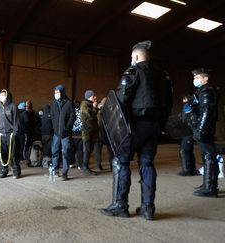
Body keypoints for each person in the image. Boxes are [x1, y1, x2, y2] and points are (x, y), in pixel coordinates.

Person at [101, 40, 172, 220]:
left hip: (135, 126)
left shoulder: (132, 72)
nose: (131, 59)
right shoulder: (163, 76)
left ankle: (120, 205)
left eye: (132, 57)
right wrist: (160, 126)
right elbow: (169, 104)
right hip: (154, 126)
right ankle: (148, 208)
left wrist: (121, 130)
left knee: (121, 162)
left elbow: (120, 102)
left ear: (137, 56)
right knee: (147, 163)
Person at [185, 68, 220, 197]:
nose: (195, 80)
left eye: (198, 77)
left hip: (205, 127)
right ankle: (208, 184)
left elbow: (207, 111)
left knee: (209, 156)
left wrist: (201, 129)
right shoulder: (202, 90)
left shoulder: (207, 91)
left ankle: (210, 188)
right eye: (194, 78)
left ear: (206, 79)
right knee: (207, 156)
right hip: (203, 126)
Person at [50, 85, 75, 181]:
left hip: (65, 134)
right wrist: (54, 127)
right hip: (56, 133)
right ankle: (55, 170)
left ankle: (65, 172)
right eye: (55, 92)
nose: (56, 94)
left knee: (65, 153)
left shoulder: (69, 103)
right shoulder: (54, 104)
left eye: (58, 92)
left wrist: (67, 128)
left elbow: (72, 117)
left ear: (62, 92)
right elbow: (52, 116)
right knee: (54, 152)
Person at [0, 89, 21, 179]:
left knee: (14, 154)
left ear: (7, 96)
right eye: (1, 95)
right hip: (1, 135)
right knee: (2, 154)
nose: (2, 96)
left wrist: (15, 133)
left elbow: (16, 121)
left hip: (11, 134)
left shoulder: (13, 106)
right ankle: (4, 170)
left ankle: (16, 171)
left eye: (4, 95)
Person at [177, 96, 199, 176]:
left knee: (184, 150)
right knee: (188, 150)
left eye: (185, 98)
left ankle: (187, 171)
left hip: (189, 130)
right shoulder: (193, 105)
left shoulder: (190, 106)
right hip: (189, 130)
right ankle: (192, 170)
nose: (184, 100)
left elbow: (187, 118)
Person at [80, 90, 99, 176]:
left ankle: (86, 167)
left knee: (90, 150)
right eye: (93, 96)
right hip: (87, 132)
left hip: (92, 131)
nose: (95, 97)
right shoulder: (84, 104)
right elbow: (90, 115)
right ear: (88, 96)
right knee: (87, 150)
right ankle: (85, 168)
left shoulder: (90, 104)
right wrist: (95, 107)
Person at [18, 101, 35, 166]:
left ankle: (20, 157)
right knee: (25, 146)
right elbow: (27, 122)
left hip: (18, 131)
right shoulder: (26, 113)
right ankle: (24, 158)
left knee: (19, 145)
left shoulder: (17, 112)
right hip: (25, 131)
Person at [71, 100, 84, 170]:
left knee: (72, 149)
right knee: (80, 150)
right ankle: (80, 165)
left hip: (72, 134)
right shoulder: (82, 111)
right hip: (80, 134)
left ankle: (72, 163)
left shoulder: (71, 112)